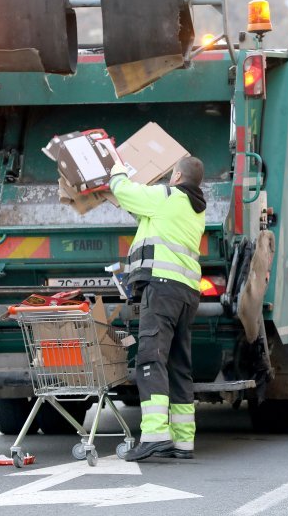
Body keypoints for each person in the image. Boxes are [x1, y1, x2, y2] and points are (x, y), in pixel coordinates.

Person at [108, 154, 206, 462]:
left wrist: (117, 173)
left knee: (151, 359)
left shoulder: (166, 196)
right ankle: (183, 440)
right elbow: (150, 220)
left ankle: (154, 434)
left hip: (162, 290)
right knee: (178, 364)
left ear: (176, 177)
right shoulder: (194, 208)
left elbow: (125, 191)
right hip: (186, 293)